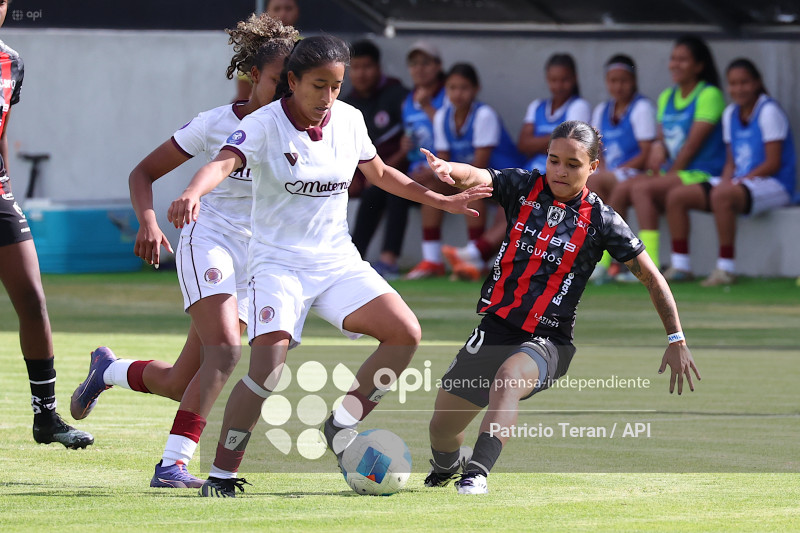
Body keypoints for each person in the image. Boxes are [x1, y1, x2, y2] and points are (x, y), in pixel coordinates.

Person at [165, 35, 491, 498]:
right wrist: (192, 193)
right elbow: (221, 164)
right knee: (267, 371)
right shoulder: (263, 124)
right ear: (292, 82)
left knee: (404, 333)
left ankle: (341, 424)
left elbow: (379, 174)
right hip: (276, 265)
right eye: (319, 86)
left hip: (337, 260)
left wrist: (440, 199)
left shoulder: (350, 120)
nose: (328, 98)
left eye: (336, 87)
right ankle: (221, 474)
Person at [70, 14, 299, 487]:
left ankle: (109, 370)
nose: (287, 92)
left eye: (293, 82)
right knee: (225, 352)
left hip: (258, 260)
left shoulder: (300, 129)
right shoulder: (214, 123)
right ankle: (172, 466)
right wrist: (149, 221)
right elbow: (143, 173)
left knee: (181, 382)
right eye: (280, 80)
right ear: (254, 74)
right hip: (208, 239)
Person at [420, 121, 701, 495]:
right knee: (442, 428)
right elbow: (478, 175)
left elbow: (652, 278)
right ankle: (447, 466)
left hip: (548, 339)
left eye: (572, 163)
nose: (560, 171)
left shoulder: (602, 220)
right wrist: (449, 170)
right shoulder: (523, 188)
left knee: (508, 379)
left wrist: (676, 337)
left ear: (593, 167)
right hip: (496, 327)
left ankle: (476, 474)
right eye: (554, 160)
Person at [0, 0, 94, 449]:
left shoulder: (11, 62)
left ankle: (46, 417)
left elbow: (2, 130)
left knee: (34, 301)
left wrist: (8, 189)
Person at [664, 58, 796, 286]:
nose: (738, 89)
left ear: (757, 83)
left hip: (775, 184)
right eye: (733, 84)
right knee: (677, 196)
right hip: (742, 183)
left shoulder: (768, 111)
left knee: (722, 195)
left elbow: (773, 162)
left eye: (744, 83)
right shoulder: (730, 114)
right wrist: (727, 181)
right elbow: (731, 162)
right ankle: (681, 265)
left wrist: (735, 183)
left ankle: (726, 268)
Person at [612, 35, 725, 276]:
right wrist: (659, 146)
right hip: (674, 173)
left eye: (683, 59)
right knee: (621, 189)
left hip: (702, 172)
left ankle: (646, 266)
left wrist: (661, 180)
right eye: (673, 58)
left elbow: (691, 147)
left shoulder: (709, 95)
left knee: (642, 188)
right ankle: (607, 265)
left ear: (699, 65)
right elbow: (662, 140)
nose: (675, 64)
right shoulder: (666, 96)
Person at [432, 63, 525, 281]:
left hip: (507, 178)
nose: (458, 93)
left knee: (493, 201)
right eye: (452, 87)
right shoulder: (441, 117)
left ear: (476, 89)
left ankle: (474, 257)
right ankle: (432, 259)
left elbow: (479, 166)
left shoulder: (484, 115)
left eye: (464, 87)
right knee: (433, 185)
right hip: (480, 181)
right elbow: (444, 160)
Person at [344, 40, 410, 280]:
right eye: (356, 67)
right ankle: (354, 258)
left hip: (402, 172)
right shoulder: (347, 105)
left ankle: (388, 260)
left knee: (393, 191)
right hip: (369, 177)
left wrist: (378, 173)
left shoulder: (398, 95)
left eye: (367, 66)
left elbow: (410, 142)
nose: (361, 73)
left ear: (378, 67)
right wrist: (358, 177)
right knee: (373, 193)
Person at [587, 54, 656, 282]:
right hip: (613, 173)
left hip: (637, 172)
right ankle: (601, 259)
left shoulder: (641, 108)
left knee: (607, 188)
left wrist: (616, 171)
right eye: (613, 80)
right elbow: (598, 150)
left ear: (634, 81)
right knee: (593, 184)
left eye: (624, 80)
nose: (618, 86)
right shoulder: (601, 110)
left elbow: (646, 152)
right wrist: (605, 169)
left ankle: (607, 262)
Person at [400, 40, 453, 280]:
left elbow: (450, 132)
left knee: (430, 187)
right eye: (414, 64)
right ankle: (386, 259)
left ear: (438, 66)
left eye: (426, 63)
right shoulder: (406, 102)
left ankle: (432, 259)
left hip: (446, 167)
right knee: (386, 192)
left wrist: (427, 107)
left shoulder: (448, 94)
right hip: (417, 169)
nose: (419, 69)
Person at [517, 53, 591, 174]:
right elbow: (523, 145)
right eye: (553, 80)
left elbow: (570, 145)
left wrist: (537, 144)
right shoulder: (536, 106)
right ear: (547, 79)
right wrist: (557, 140)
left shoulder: (579, 106)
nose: (558, 86)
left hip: (559, 175)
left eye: (564, 80)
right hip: (530, 172)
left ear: (574, 78)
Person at [234, 0, 300, 102]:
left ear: (297, 11)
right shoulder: (255, 47)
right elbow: (243, 95)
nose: (283, 14)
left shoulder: (304, 46)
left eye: (288, 8)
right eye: (277, 9)